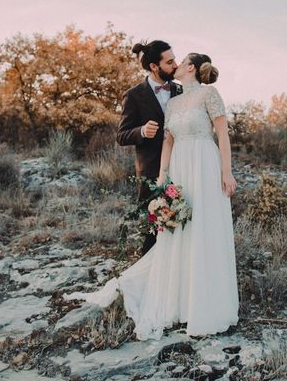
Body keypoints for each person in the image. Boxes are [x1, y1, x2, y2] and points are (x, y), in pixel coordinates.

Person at [65, 52, 239, 340]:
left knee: (204, 228)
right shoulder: (173, 103)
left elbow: (222, 135)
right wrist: (162, 179)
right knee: (180, 229)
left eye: (180, 63)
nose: (176, 67)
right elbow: (168, 142)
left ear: (191, 68)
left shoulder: (209, 94)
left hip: (205, 165)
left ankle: (206, 303)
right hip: (182, 168)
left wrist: (226, 172)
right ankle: (179, 299)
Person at [116, 40, 183, 255]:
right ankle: (149, 278)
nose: (176, 65)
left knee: (182, 220)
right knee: (152, 228)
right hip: (151, 170)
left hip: (182, 165)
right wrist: (142, 131)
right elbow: (121, 135)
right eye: (170, 61)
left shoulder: (180, 90)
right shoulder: (134, 95)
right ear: (154, 66)